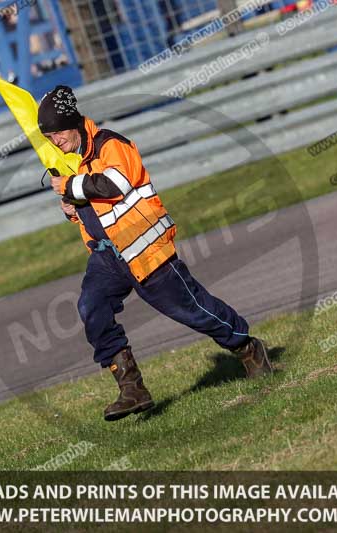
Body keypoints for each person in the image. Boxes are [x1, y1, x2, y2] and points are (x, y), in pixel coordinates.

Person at [38, 85, 273, 421]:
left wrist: (70, 188)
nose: (55, 141)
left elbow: (114, 186)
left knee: (194, 310)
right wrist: (71, 208)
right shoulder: (68, 159)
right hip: (106, 257)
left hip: (146, 252)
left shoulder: (111, 144)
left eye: (58, 133)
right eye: (49, 137)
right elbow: (91, 202)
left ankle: (247, 347)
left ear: (74, 123)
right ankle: (131, 387)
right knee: (91, 308)